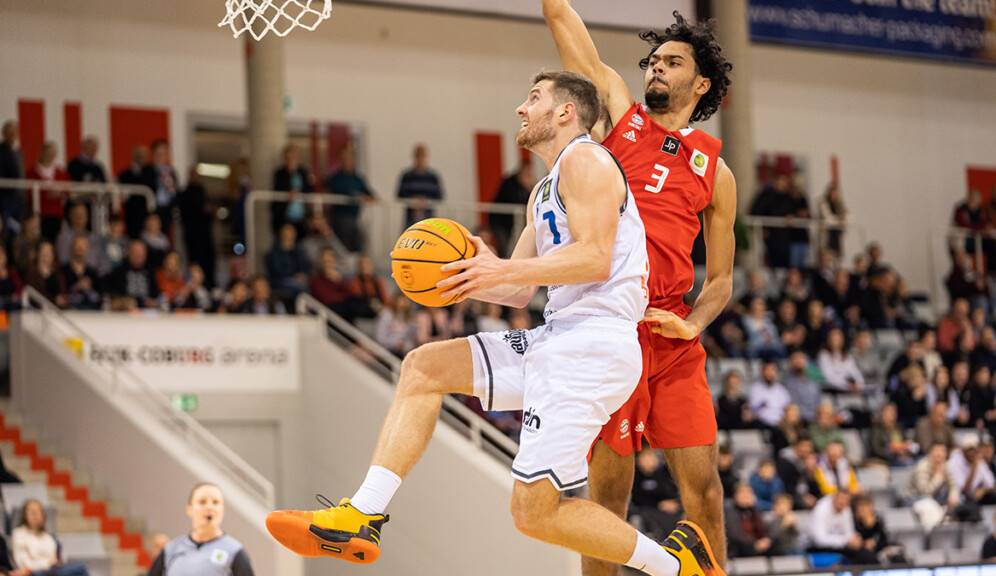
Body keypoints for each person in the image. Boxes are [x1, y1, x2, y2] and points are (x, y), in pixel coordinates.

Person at [267, 71, 719, 576]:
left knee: (533, 513)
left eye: (534, 99)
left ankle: (679, 567)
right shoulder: (543, 190)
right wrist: (463, 278)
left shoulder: (588, 160)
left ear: (566, 111)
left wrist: (500, 269)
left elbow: (594, 259)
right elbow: (521, 289)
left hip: (595, 345)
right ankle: (363, 515)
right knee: (423, 368)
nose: (521, 110)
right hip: (561, 337)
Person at [541, 10, 738, 570]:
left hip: (671, 336)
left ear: (700, 84)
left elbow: (721, 280)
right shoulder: (620, 120)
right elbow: (570, 36)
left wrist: (693, 325)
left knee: (705, 494)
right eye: (653, 61)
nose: (656, 68)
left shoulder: (715, 171)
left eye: (671, 61)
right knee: (607, 499)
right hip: (609, 328)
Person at [147, 483, 255, 576]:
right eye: (202, 502)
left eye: (215, 502)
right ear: (189, 510)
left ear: (222, 511)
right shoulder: (171, 549)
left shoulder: (235, 551)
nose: (209, 507)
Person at [11, 499, 89, 576]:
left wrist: (59, 562)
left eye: (38, 511)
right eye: (32, 511)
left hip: (53, 570)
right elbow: (23, 564)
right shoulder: (19, 534)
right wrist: (47, 564)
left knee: (80, 568)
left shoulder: (47, 537)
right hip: (34, 572)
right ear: (25, 515)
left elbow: (54, 559)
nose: (36, 514)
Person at [326, 143, 375, 253]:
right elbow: (341, 193)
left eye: (350, 157)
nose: (348, 160)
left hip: (355, 217)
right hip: (341, 217)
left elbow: (370, 194)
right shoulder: (336, 178)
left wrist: (367, 197)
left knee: (360, 243)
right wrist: (357, 196)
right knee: (343, 246)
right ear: (341, 160)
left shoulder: (357, 178)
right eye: (345, 158)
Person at [178, 166, 216, 285]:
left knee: (209, 260)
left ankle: (209, 283)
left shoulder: (203, 192)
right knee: (195, 261)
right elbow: (185, 214)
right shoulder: (185, 194)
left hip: (205, 234)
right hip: (193, 235)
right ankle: (194, 283)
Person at [25, 141, 70, 241]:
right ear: (40, 153)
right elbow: (28, 192)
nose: (48, 156)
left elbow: (69, 189)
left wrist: (60, 192)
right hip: (39, 215)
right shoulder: (31, 173)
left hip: (57, 215)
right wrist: (48, 193)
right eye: (46, 153)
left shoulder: (61, 173)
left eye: (51, 154)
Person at [489, 163, 535, 256]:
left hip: (513, 222)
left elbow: (530, 202)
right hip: (500, 220)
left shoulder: (531, 184)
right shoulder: (509, 183)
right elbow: (512, 200)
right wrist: (526, 187)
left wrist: (529, 188)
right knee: (504, 244)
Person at [395, 144, 443, 229]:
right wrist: (413, 200)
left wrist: (425, 201)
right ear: (414, 157)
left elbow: (439, 196)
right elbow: (400, 194)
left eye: (422, 156)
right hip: (411, 217)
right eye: (418, 156)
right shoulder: (407, 176)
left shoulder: (433, 176)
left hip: (428, 217)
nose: (420, 158)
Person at [142, 139, 178, 234]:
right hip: (152, 208)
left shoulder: (171, 171)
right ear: (154, 153)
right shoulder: (147, 170)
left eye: (164, 152)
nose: (162, 156)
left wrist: (172, 189)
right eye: (159, 153)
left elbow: (175, 193)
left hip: (167, 210)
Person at [118, 145, 150, 238]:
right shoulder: (125, 175)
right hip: (132, 215)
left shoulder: (151, 172)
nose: (141, 158)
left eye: (144, 155)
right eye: (139, 155)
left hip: (147, 214)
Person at [747, 360, 791, 427]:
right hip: (761, 423)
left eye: (772, 370)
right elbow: (753, 410)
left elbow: (787, 407)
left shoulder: (781, 390)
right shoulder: (755, 388)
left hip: (780, 424)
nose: (770, 373)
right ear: (762, 372)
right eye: (767, 370)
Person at [0, 120, 26, 231]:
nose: (12, 135)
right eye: (9, 132)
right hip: (6, 196)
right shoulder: (1, 150)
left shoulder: (19, 153)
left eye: (14, 132)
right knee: (6, 225)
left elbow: (21, 174)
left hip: (19, 197)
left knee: (18, 227)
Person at [818, 182, 847, 257]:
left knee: (837, 257)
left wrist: (839, 219)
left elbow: (847, 216)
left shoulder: (839, 204)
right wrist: (839, 219)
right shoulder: (822, 202)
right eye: (834, 192)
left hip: (836, 236)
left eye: (837, 192)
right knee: (826, 257)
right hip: (827, 236)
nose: (836, 194)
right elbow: (828, 218)